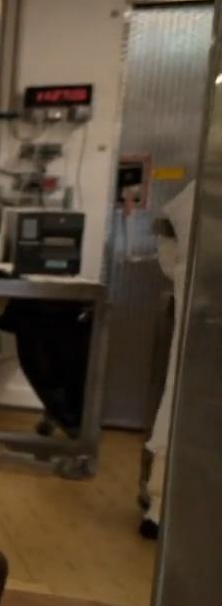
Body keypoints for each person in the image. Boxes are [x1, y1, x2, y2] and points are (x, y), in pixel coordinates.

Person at [141, 181, 196, 537]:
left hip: (196, 308)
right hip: (198, 314)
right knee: (182, 403)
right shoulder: (199, 194)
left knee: (181, 404)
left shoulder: (194, 196)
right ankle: (160, 504)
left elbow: (165, 233)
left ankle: (160, 505)